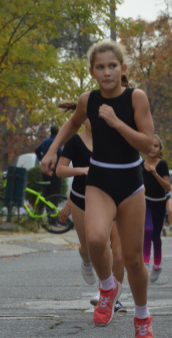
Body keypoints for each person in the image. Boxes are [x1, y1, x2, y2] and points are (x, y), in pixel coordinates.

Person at [41, 40, 155, 338]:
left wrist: (117, 123)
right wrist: (53, 150)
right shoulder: (88, 100)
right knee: (93, 240)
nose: (107, 72)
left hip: (131, 183)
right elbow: (72, 123)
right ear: (92, 72)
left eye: (112, 66)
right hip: (100, 180)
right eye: (100, 67)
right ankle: (107, 288)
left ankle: (142, 319)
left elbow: (147, 144)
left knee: (132, 260)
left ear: (124, 68)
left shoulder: (136, 98)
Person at [54, 102, 127, 312]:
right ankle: (86, 260)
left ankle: (111, 294)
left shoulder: (114, 139)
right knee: (89, 248)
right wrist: (80, 170)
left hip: (111, 198)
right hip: (81, 199)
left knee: (117, 252)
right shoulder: (75, 141)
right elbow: (59, 170)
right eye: (88, 116)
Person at [142, 135, 171, 281]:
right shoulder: (140, 164)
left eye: (156, 146)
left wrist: (155, 174)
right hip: (145, 202)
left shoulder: (162, 164)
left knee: (155, 236)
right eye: (150, 145)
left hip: (159, 202)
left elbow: (167, 187)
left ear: (160, 149)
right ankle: (145, 262)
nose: (153, 148)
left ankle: (157, 265)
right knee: (147, 229)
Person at [35, 125, 63, 197]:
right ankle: (53, 207)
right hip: (55, 169)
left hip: (46, 169)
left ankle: (47, 208)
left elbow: (37, 150)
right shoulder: (57, 142)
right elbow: (61, 153)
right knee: (55, 192)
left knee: (46, 191)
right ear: (58, 132)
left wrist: (43, 159)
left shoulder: (45, 141)